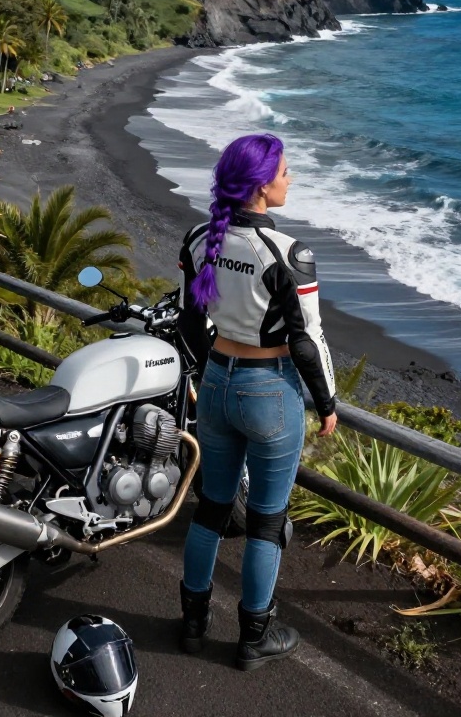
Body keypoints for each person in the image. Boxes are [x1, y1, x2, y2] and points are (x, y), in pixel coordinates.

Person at [177, 132, 337, 671]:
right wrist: (327, 404)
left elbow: (189, 322)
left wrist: (211, 371)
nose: (292, 179)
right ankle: (254, 638)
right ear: (263, 186)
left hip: (216, 383)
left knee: (212, 509)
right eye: (286, 172)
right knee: (266, 522)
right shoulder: (289, 253)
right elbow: (306, 341)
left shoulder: (201, 238)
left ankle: (193, 623)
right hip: (269, 389)